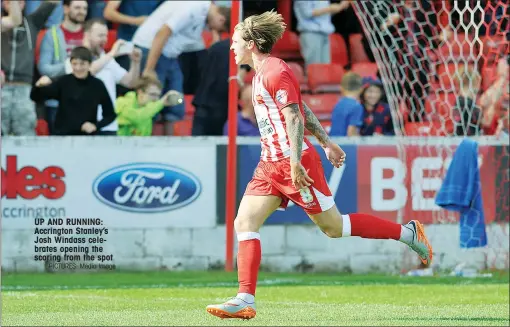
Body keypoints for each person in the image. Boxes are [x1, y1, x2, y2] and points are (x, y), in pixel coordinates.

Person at [206, 11, 433, 320]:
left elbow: (295, 117)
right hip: (269, 165)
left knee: (334, 228)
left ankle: (408, 234)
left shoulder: (275, 71)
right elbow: (302, 108)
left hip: (292, 164)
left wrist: (299, 161)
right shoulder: (260, 74)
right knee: (244, 222)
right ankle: (245, 298)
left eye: (235, 42)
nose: (232, 47)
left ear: (250, 43)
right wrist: (327, 141)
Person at [30, 46, 115, 135]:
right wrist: (38, 86)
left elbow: (110, 115)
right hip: (63, 137)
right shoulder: (63, 82)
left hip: (87, 138)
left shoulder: (97, 85)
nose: (78, 68)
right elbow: (36, 97)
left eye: (82, 64)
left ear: (90, 64)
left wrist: (95, 126)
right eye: (74, 64)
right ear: (70, 64)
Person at [115, 74, 183, 136]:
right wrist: (161, 103)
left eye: (158, 96)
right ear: (140, 92)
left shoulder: (148, 111)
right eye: (153, 94)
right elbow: (137, 117)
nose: (155, 99)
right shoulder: (123, 102)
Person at [329, 72, 364, 136]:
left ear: (341, 88)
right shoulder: (357, 106)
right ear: (361, 89)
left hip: (333, 142)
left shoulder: (338, 104)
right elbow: (351, 133)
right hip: (345, 144)